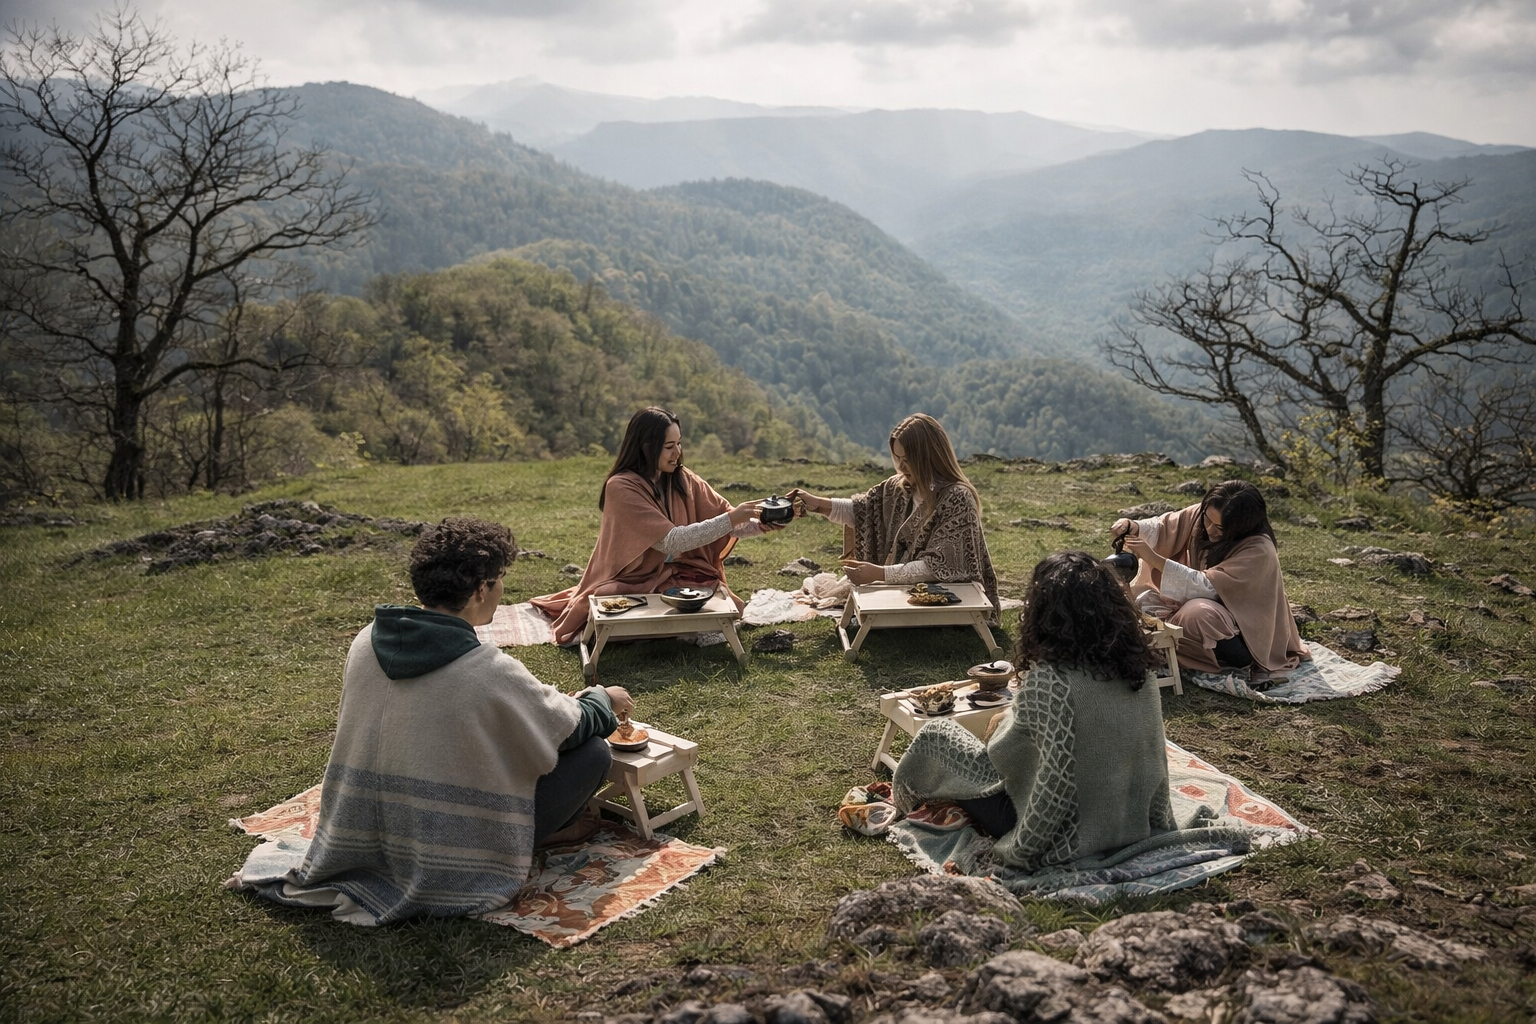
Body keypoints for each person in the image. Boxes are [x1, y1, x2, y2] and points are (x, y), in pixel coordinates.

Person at [228, 516, 634, 925]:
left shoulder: (366, 640)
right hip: (446, 843)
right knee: (594, 754)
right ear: (480, 590)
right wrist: (603, 699)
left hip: (364, 823)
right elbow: (568, 728)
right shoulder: (486, 669)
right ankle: (535, 838)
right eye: (500, 580)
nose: (502, 590)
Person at [891, 551, 1236, 873]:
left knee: (937, 735)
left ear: (1045, 612)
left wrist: (1023, 849)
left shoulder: (1051, 680)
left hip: (1062, 833)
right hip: (1131, 821)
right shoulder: (1140, 668)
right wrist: (1159, 824)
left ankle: (906, 804)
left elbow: (1048, 783)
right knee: (1006, 729)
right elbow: (1154, 757)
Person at [532, 407, 777, 646]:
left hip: (675, 573)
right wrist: (734, 517)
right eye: (669, 446)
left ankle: (680, 629)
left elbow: (727, 522)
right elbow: (672, 541)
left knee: (717, 596)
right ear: (645, 447)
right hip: (631, 578)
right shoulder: (621, 487)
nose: (677, 452)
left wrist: (763, 523)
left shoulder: (683, 478)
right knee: (607, 604)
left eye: (679, 443)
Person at [790, 413, 1000, 623]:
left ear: (929, 457)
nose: (901, 467)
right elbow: (864, 512)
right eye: (897, 458)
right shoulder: (898, 488)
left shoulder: (957, 499)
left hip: (948, 596)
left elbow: (941, 567)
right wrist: (817, 504)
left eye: (908, 460)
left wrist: (880, 574)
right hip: (903, 589)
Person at [1112, 479, 1308, 684]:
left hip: (1243, 635)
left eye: (1220, 528)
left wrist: (1153, 558)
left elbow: (1207, 587)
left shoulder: (1259, 550)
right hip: (1195, 609)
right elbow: (1164, 527)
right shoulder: (1201, 516)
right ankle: (1179, 648)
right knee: (1140, 601)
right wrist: (1133, 527)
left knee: (1199, 614)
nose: (1210, 529)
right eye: (1208, 520)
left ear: (1241, 528)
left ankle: (1219, 658)